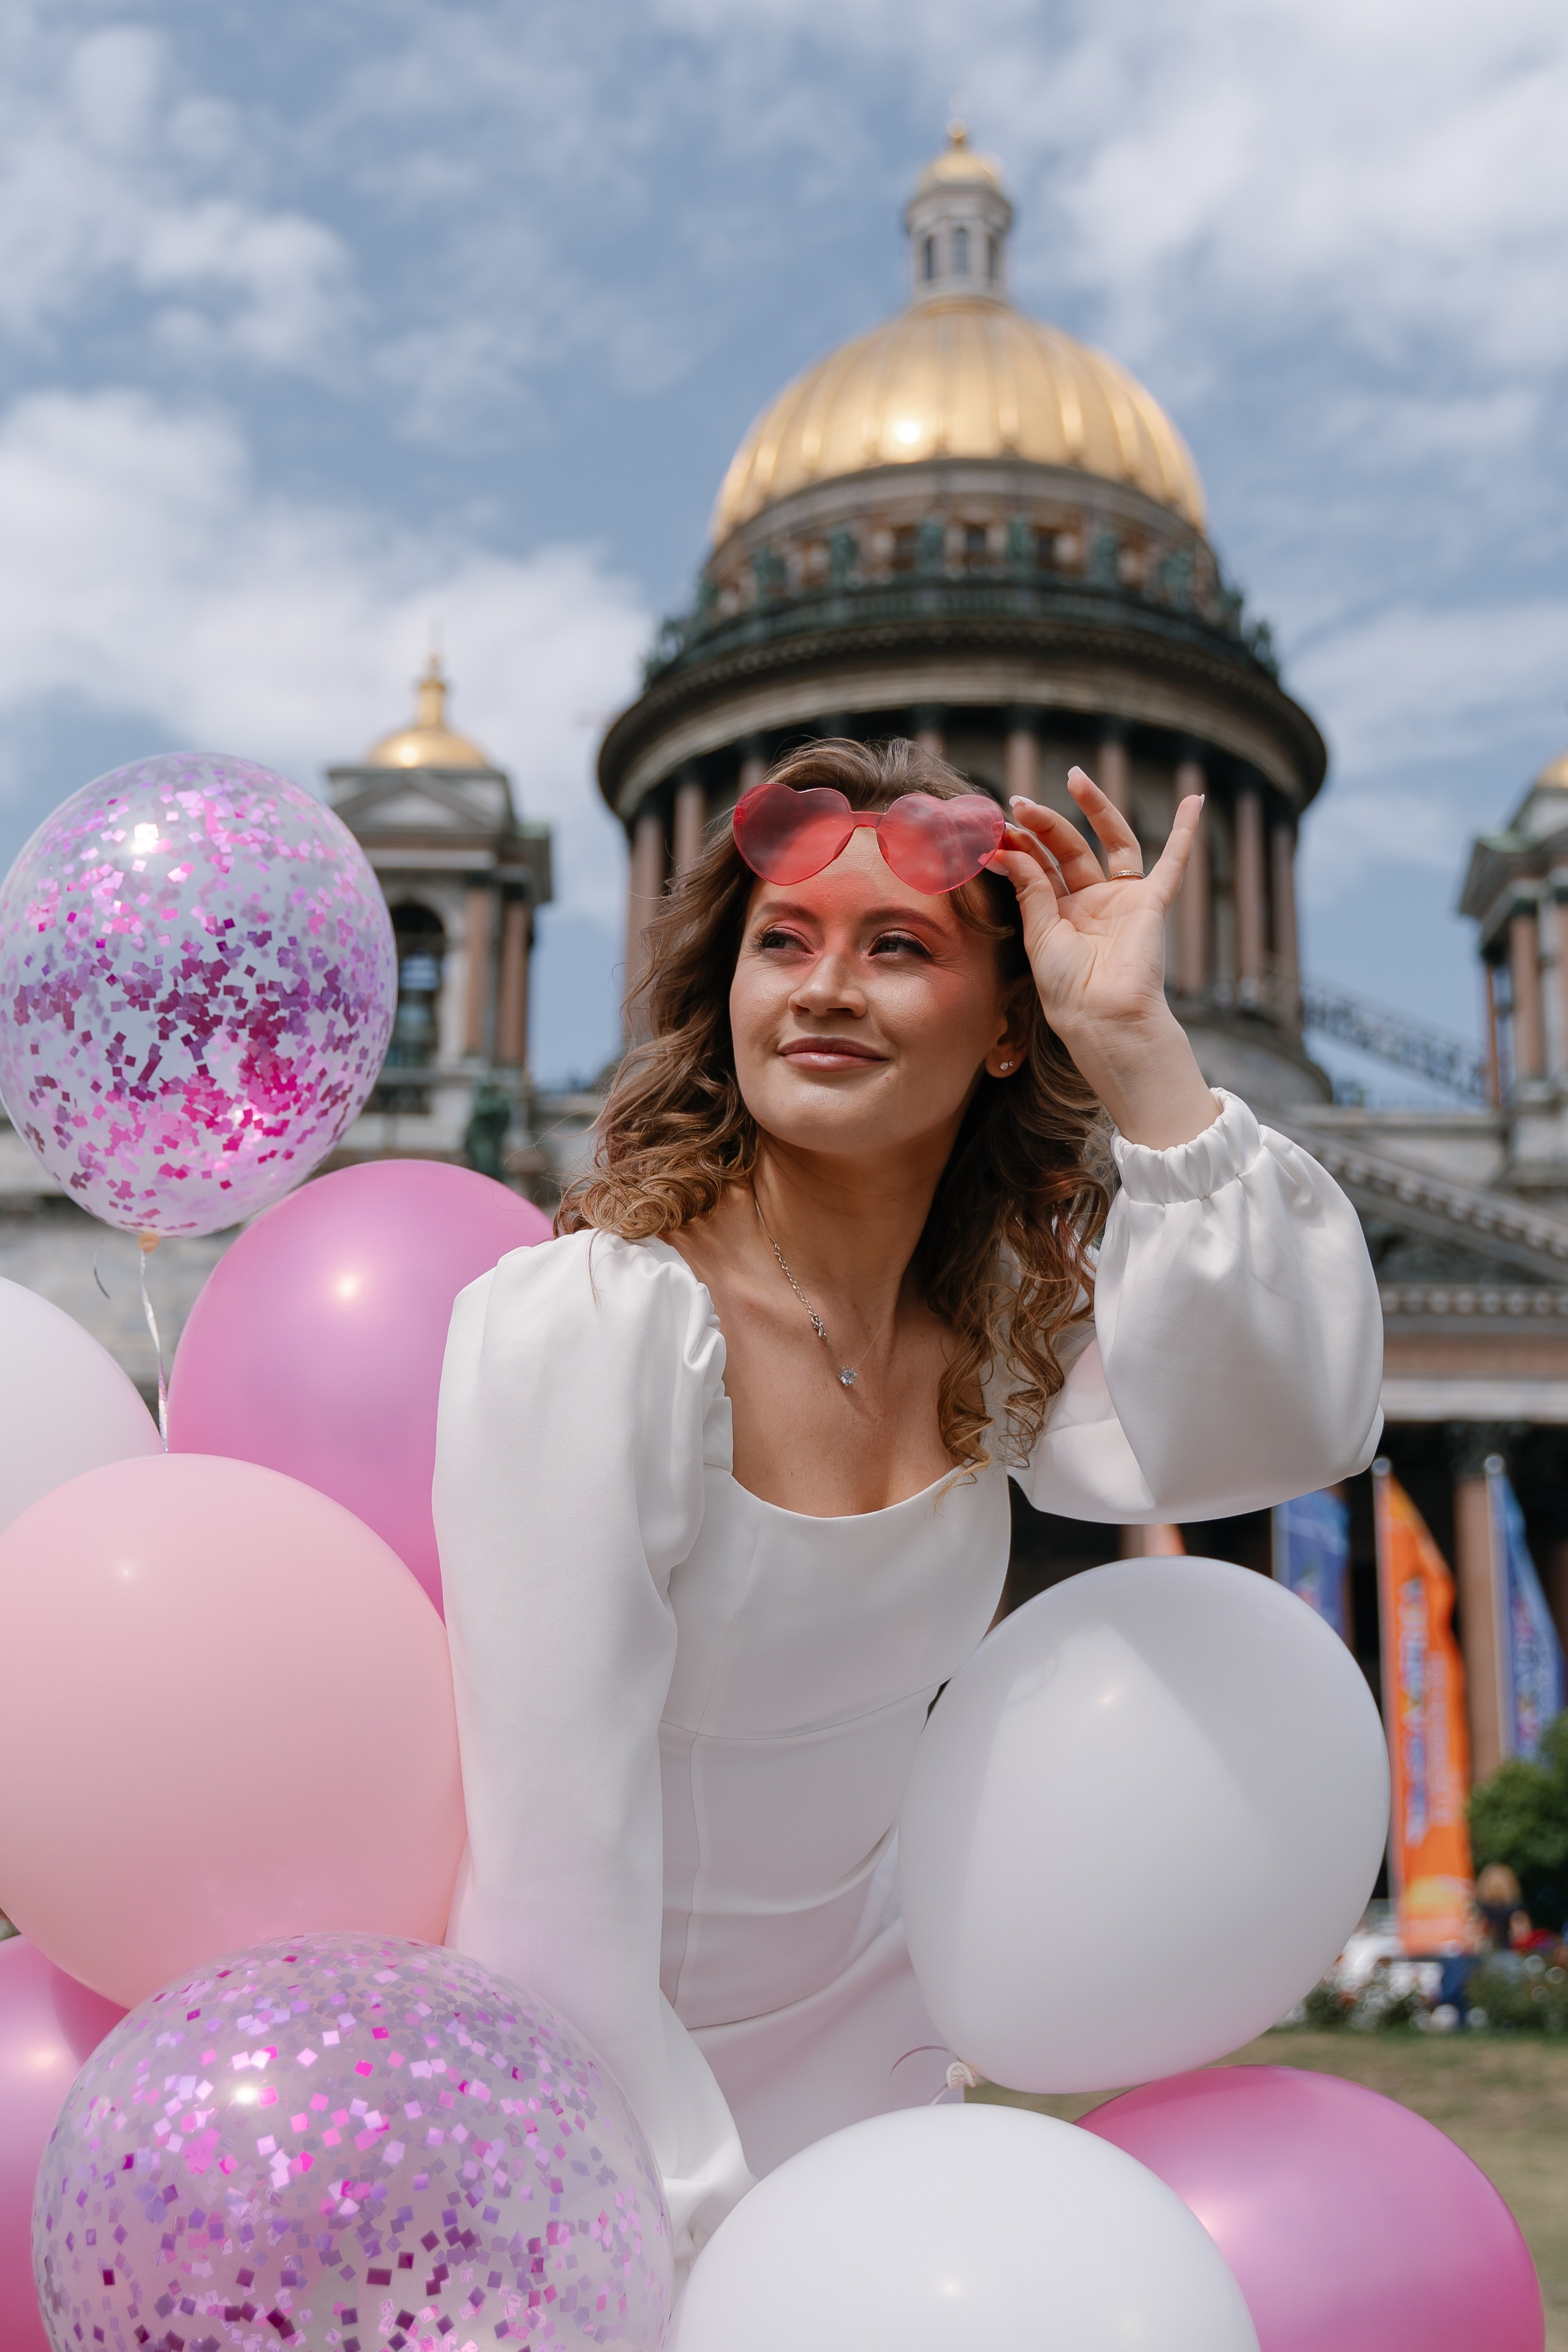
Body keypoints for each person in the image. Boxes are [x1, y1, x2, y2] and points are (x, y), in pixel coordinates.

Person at [434, 738, 1383, 2263]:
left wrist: (1132, 1037)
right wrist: (686, 2229)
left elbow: (1275, 1428)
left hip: (877, 2102)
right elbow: (550, 1873)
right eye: (781, 944)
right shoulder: (594, 1327)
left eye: (897, 948)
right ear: (723, 996)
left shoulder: (998, 1343)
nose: (820, 988)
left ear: (1006, 1026)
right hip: (609, 2120)